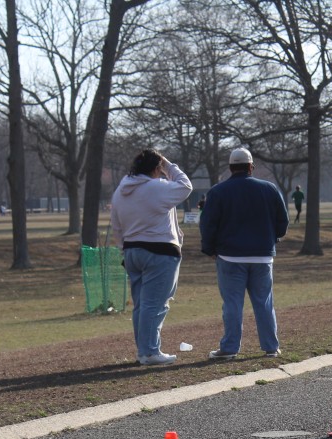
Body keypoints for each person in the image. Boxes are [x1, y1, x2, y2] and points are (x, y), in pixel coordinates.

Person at [200, 147, 289, 360]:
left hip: (229, 256)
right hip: (262, 256)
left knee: (232, 304)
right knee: (264, 302)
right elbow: (282, 221)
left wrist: (209, 249)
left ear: (231, 167)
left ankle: (230, 348)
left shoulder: (218, 191)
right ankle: (271, 347)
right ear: (251, 167)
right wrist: (273, 238)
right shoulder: (269, 189)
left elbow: (208, 224)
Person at [109, 148, 192, 366]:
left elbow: (116, 225)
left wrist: (123, 249)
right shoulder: (157, 187)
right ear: (156, 168)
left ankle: (143, 350)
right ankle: (149, 352)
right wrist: (169, 165)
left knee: (141, 305)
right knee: (155, 304)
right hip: (160, 251)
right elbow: (185, 186)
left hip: (132, 250)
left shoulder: (121, 190)